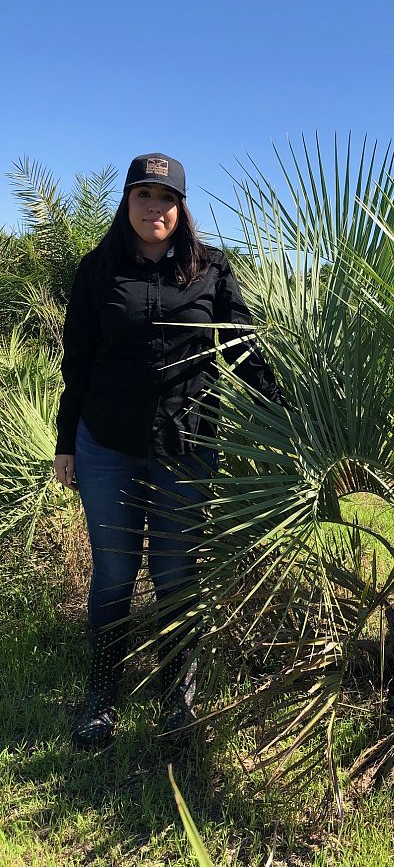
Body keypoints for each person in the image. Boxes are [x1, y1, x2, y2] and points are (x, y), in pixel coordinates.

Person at [53, 152, 283, 749]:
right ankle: (102, 694)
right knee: (114, 573)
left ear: (182, 209)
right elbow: (77, 361)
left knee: (178, 574)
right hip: (106, 444)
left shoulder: (212, 271)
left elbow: (242, 350)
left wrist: (288, 408)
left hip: (187, 446)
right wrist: (64, 442)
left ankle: (177, 696)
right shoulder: (96, 272)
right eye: (143, 196)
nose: (155, 207)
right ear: (127, 202)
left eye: (166, 198)